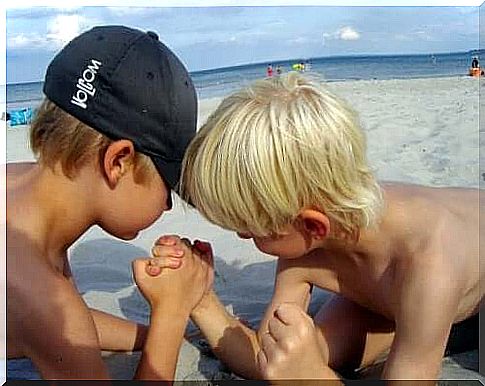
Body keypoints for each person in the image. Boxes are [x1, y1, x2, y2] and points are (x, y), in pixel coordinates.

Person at [161, 72, 481, 382]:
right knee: (298, 352)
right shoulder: (306, 238)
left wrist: (312, 377)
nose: (242, 237)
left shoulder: (428, 262)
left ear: (313, 226)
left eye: (249, 230)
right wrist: (201, 300)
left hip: (457, 279)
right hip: (384, 297)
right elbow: (267, 359)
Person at [6, 25, 213, 380]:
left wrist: (151, 336)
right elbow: (58, 323)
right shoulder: (40, 295)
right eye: (167, 183)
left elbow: (66, 328)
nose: (166, 206)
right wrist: (172, 312)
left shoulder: (19, 187)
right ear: (118, 162)